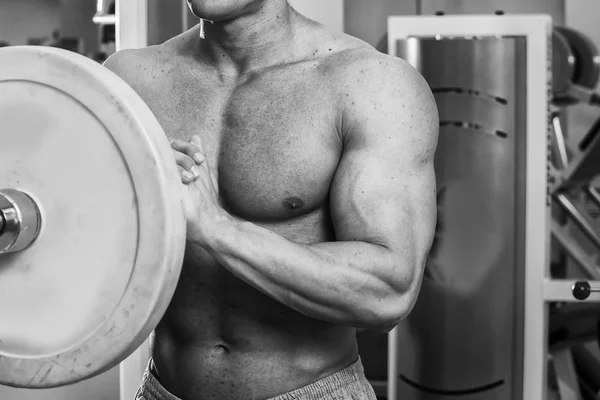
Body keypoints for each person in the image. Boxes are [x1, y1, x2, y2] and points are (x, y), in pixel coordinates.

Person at [104, 0, 438, 399]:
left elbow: (387, 293)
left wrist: (215, 229)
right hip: (163, 389)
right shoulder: (129, 81)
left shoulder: (370, 85)